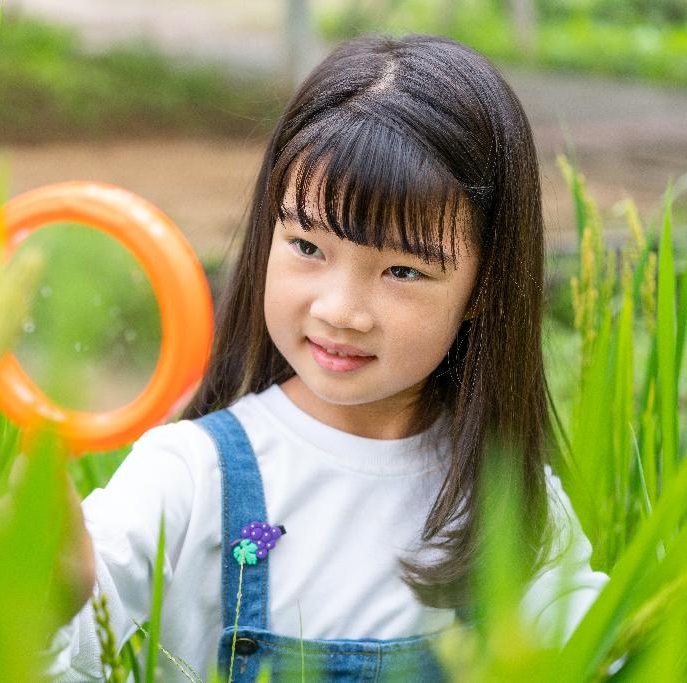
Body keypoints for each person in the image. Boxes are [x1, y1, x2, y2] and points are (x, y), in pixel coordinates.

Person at [44, 33, 609, 681]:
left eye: (402, 268)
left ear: (483, 288)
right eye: (308, 246)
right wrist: (46, 604)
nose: (341, 310)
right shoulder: (189, 476)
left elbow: (605, 659)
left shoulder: (513, 504)